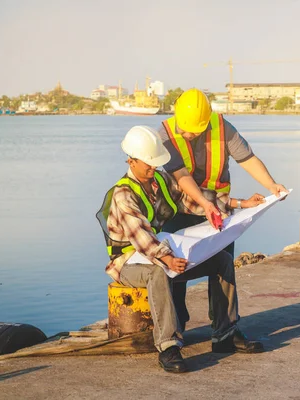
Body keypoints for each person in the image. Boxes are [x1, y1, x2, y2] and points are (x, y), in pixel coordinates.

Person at [96, 126, 263, 374]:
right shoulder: (123, 194)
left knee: (222, 261)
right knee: (158, 273)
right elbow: (141, 237)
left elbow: (192, 200)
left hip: (161, 250)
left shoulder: (160, 181)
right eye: (147, 164)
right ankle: (168, 346)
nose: (153, 168)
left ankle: (224, 334)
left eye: (155, 163)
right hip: (128, 263)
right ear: (131, 160)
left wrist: (239, 204)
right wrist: (167, 258)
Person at [157, 88, 288, 328]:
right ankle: (176, 329)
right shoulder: (164, 134)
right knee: (175, 270)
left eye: (192, 130)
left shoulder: (222, 127)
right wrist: (205, 202)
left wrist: (272, 185)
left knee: (223, 266)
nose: (186, 134)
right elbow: (181, 175)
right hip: (179, 212)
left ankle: (225, 329)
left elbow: (247, 158)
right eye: (184, 128)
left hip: (218, 212)